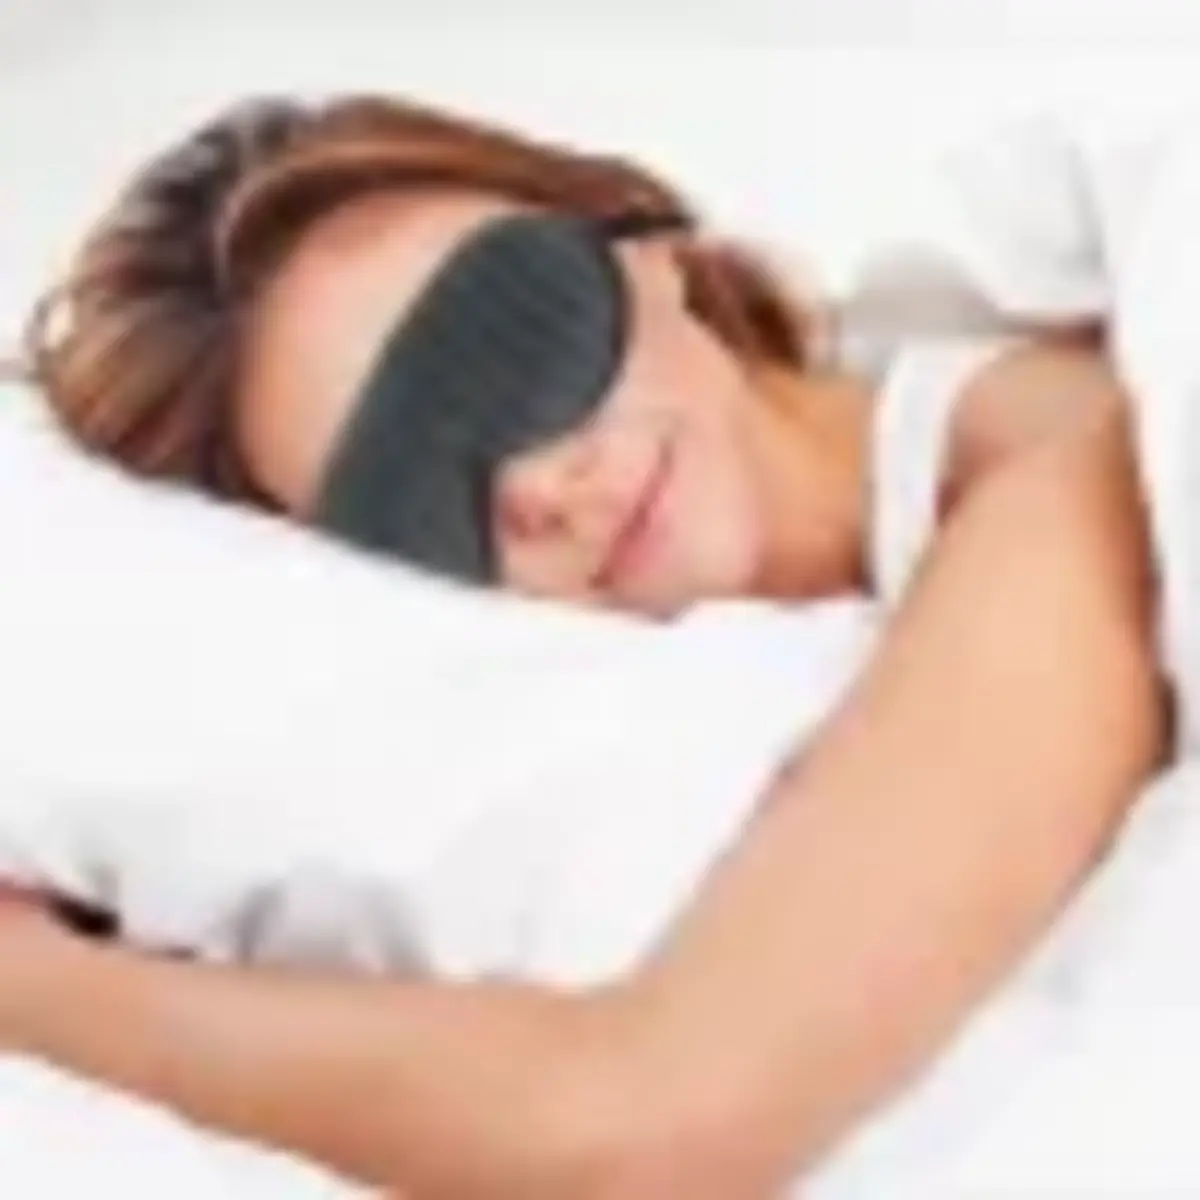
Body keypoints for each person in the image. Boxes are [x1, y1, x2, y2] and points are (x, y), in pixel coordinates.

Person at [0, 94, 1167, 1196]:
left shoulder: (1058, 473)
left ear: (648, 245)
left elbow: (647, 1117)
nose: (536, 489)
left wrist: (42, 986)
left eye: (505, 349)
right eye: (410, 501)